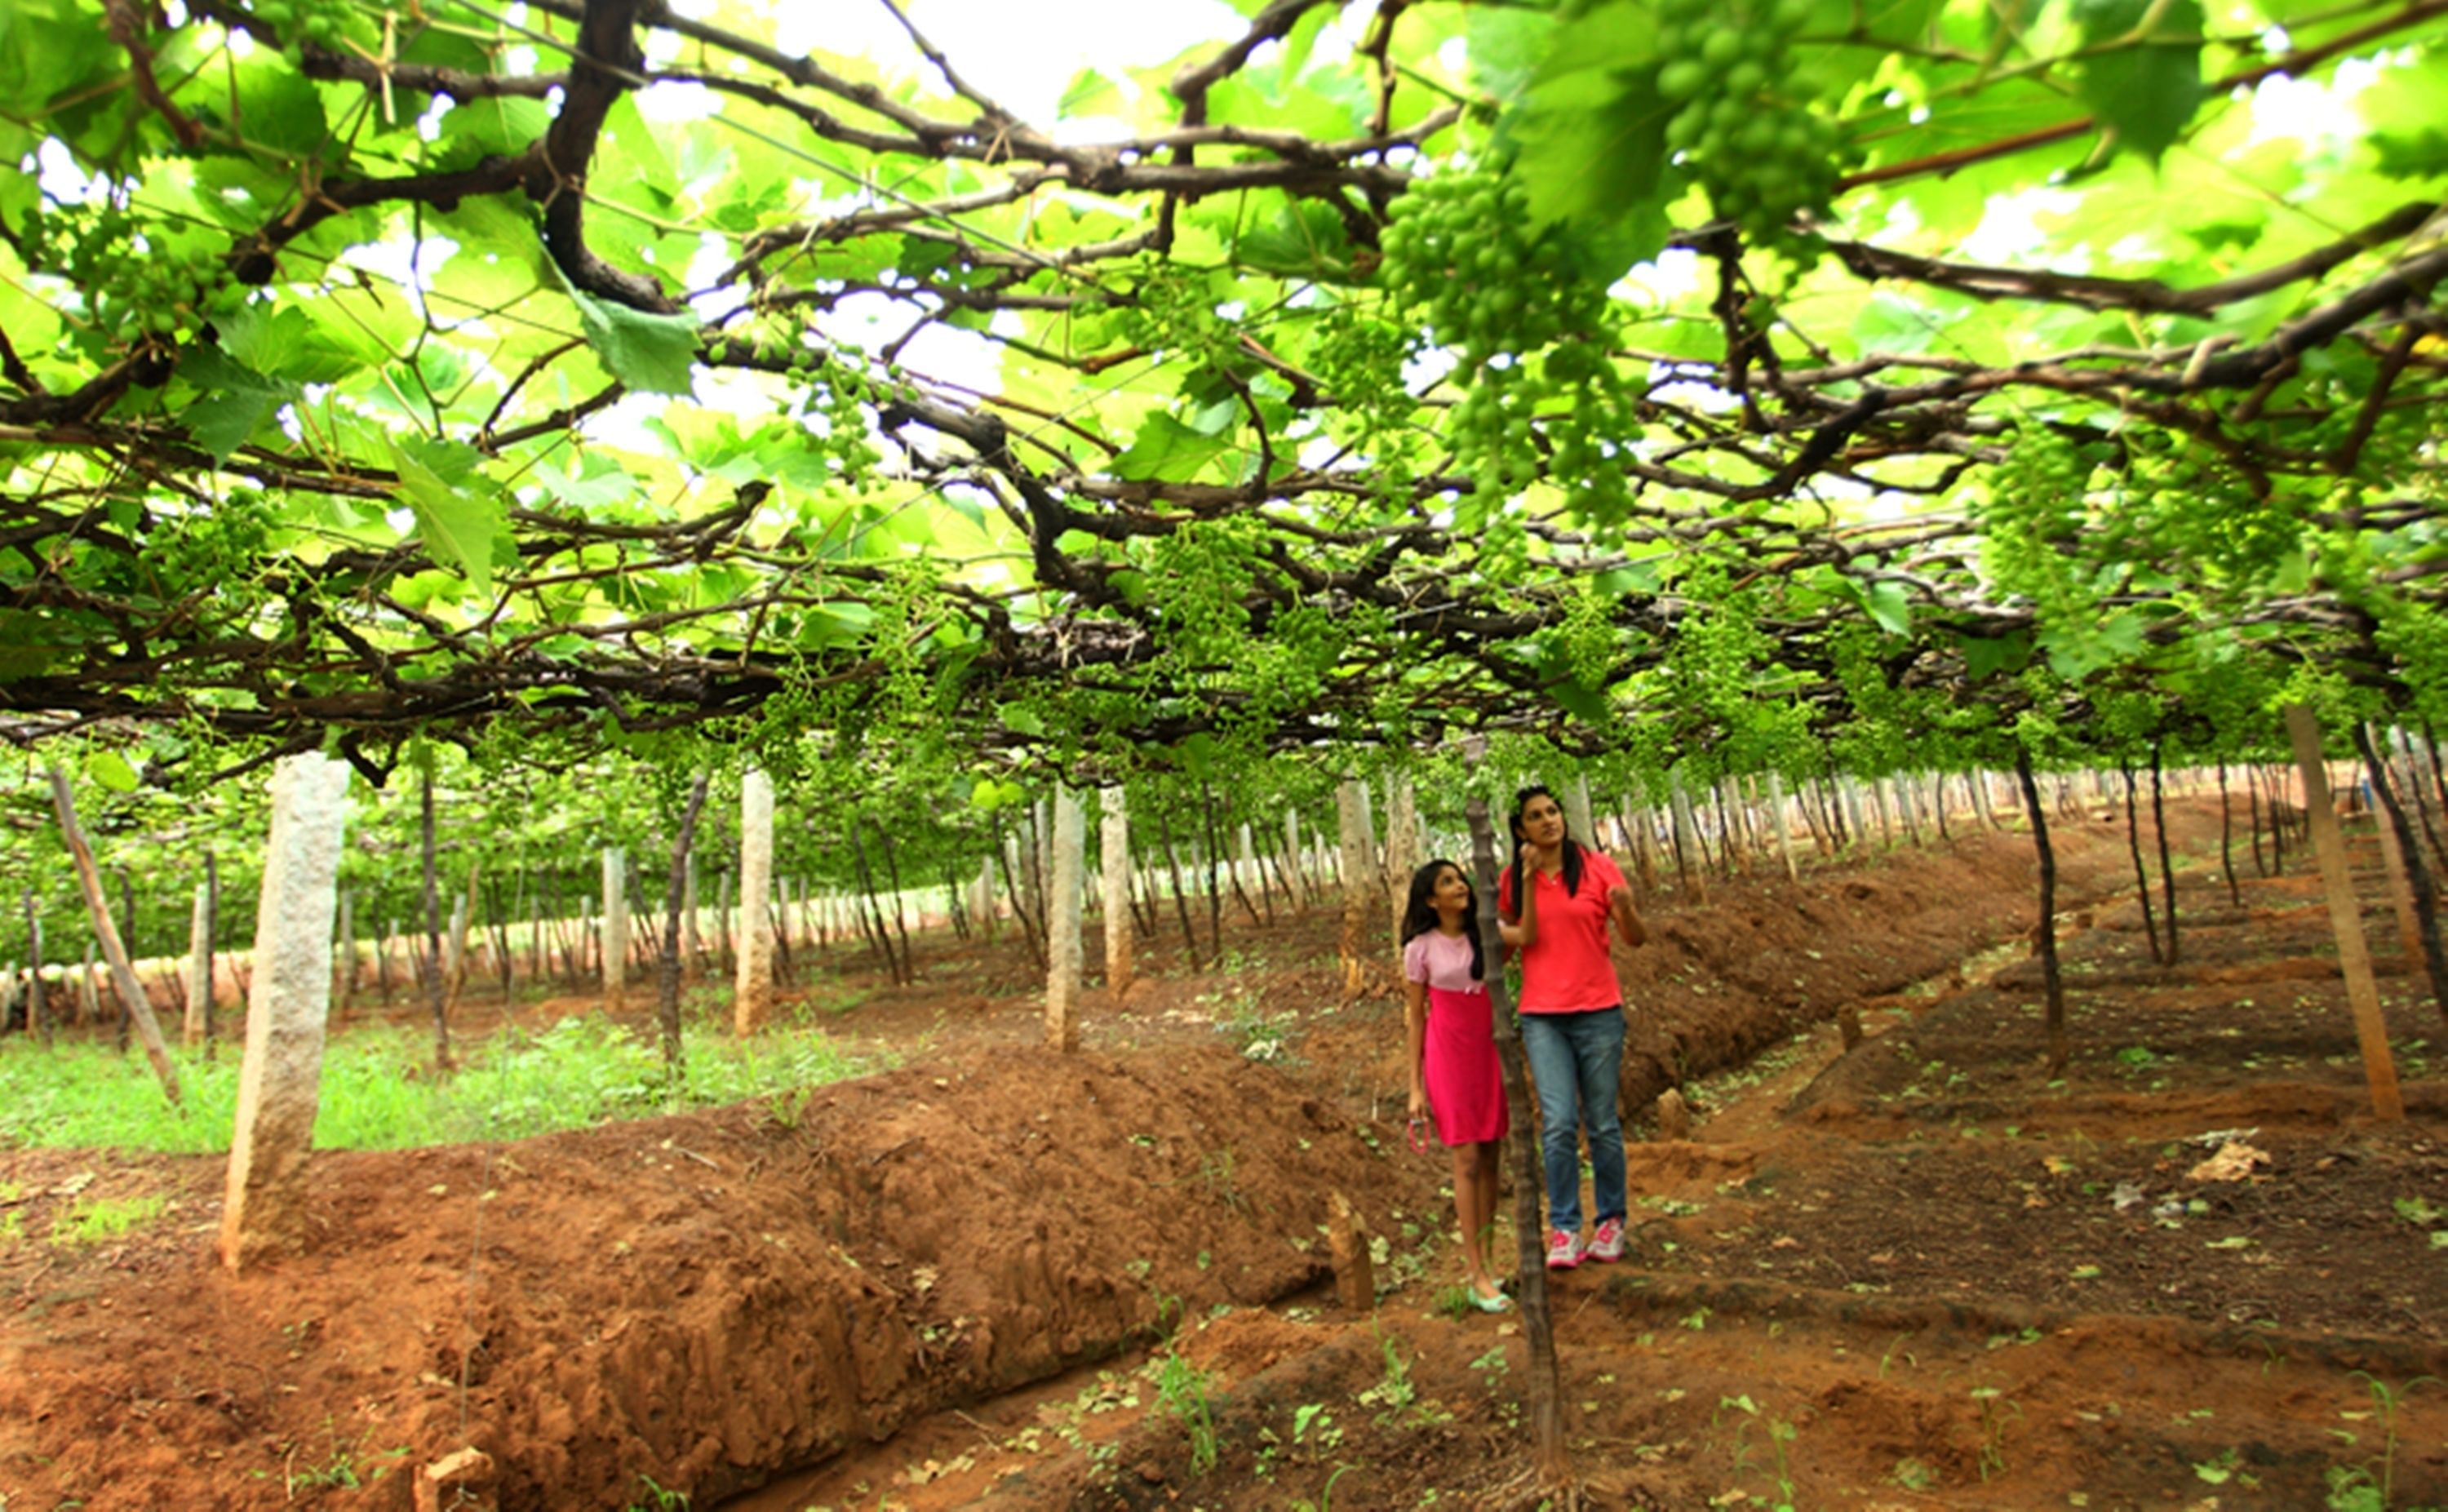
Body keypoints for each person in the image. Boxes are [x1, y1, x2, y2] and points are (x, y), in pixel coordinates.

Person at [1496, 783, 1648, 1270]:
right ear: (1521, 829)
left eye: (1553, 811)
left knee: (1602, 1122)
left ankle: (1612, 1220)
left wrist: (1624, 908)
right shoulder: (1512, 880)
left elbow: (1635, 939)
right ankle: (1564, 1226)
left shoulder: (1599, 868)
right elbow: (1504, 948)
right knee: (1558, 1124)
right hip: (1543, 1016)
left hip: (1599, 1010)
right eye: (1536, 816)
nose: (1548, 821)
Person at [1402, 858, 1510, 1312]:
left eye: (1460, 878)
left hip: (1489, 1050)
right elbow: (1414, 1015)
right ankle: (1475, 1272)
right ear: (1431, 900)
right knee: (1465, 1157)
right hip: (1448, 1055)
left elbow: (1525, 938)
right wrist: (1414, 1086)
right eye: (1447, 882)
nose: (1459, 885)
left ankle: (1488, 1259)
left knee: (1490, 1156)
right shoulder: (1420, 948)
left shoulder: (1486, 934)